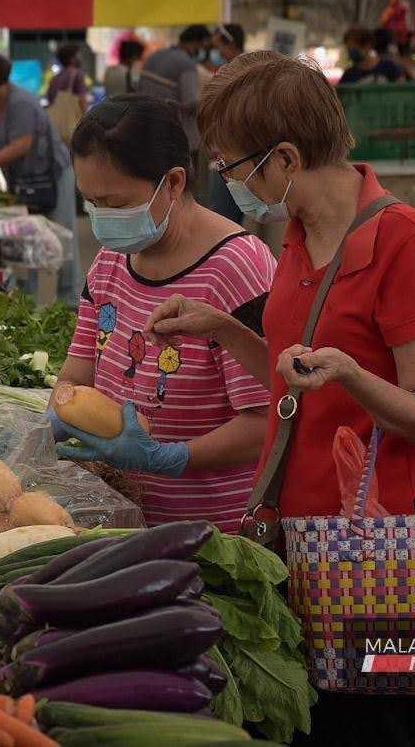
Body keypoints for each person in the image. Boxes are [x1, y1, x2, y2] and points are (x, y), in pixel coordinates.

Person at [138, 50, 415, 745]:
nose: (226, 184)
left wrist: (348, 373)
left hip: (382, 554)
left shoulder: (409, 243)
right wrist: (222, 328)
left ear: (283, 158)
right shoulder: (297, 235)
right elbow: (293, 382)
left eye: (230, 167)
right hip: (295, 540)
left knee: (385, 727)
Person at [48, 95, 276, 530]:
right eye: (91, 203)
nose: (101, 218)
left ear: (172, 182)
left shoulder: (238, 269)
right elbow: (78, 374)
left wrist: (172, 458)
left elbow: (267, 420)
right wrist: (56, 415)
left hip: (213, 537)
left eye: (115, 204)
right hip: (123, 526)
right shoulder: (110, 262)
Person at [0, 51, 79, 304]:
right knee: (28, 240)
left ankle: (71, 301)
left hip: (53, 176)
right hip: (26, 182)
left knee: (62, 240)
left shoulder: (21, 103)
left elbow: (22, 144)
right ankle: (28, 300)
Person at [137, 24, 212, 149]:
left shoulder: (154, 56)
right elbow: (191, 102)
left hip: (148, 129)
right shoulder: (186, 64)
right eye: (203, 47)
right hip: (176, 136)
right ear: (196, 43)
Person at [338, 28, 404, 85]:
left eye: (353, 48)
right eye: (348, 49)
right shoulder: (349, 74)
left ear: (367, 45)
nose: (350, 52)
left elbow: (400, 89)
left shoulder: (389, 67)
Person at [46, 43, 90, 108]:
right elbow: (82, 101)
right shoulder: (77, 74)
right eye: (78, 55)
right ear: (71, 59)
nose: (81, 58)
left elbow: (50, 100)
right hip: (73, 116)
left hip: (57, 116)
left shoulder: (54, 79)